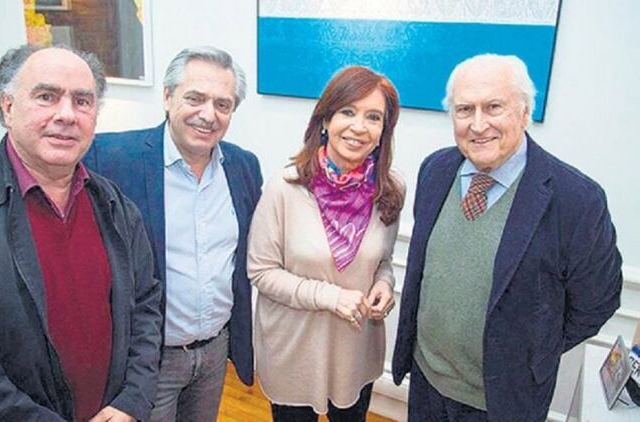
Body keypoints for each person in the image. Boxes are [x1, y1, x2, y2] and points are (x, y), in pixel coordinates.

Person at [0, 45, 163, 422]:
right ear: (7, 107)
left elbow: (146, 306)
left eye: (83, 101)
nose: (67, 115)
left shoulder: (115, 206)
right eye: (46, 97)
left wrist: (132, 400)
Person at [392, 54, 623, 422]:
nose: (478, 124)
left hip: (502, 402)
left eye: (494, 107)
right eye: (465, 109)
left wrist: (533, 352)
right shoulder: (435, 170)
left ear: (525, 111)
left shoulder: (576, 199)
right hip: (427, 385)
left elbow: (598, 301)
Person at [83, 46, 262, 422]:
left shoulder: (244, 167)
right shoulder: (111, 158)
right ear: (167, 97)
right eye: (195, 98)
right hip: (148, 361)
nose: (208, 115)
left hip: (214, 353)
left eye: (223, 104)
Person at [247, 66, 405, 421]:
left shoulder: (390, 190)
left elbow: (383, 260)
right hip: (295, 353)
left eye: (373, 117)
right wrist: (331, 297)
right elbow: (260, 272)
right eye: (348, 111)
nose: (359, 126)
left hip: (355, 351)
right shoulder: (284, 187)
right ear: (325, 120)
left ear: (383, 131)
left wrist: (384, 283)